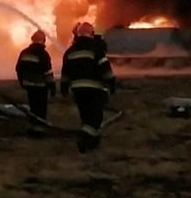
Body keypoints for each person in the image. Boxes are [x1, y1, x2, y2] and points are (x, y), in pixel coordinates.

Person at [60, 21, 117, 152]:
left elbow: (65, 72)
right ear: (91, 34)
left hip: (78, 90)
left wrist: (64, 88)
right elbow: (104, 67)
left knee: (86, 116)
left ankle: (92, 142)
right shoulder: (96, 48)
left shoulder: (70, 51)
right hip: (94, 89)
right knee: (96, 118)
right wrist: (111, 83)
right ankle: (84, 139)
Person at [15, 29, 56, 136]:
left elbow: (19, 69)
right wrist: (52, 88)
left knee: (32, 107)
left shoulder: (24, 52)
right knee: (41, 108)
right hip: (40, 86)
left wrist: (22, 82)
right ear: (43, 40)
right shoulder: (43, 54)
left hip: (29, 85)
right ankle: (39, 131)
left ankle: (32, 128)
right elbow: (48, 73)